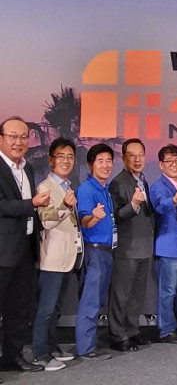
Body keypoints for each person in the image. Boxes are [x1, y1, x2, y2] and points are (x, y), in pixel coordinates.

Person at [0, 116, 48, 375]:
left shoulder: (26, 168)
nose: (18, 142)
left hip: (25, 250)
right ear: (1, 139)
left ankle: (13, 356)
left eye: (23, 137)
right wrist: (32, 204)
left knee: (18, 308)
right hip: (3, 251)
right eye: (13, 136)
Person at [32, 137, 80, 371]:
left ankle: (51, 346)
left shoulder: (67, 186)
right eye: (61, 156)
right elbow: (47, 221)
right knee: (46, 309)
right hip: (51, 258)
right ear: (51, 160)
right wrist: (66, 207)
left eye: (70, 157)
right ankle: (40, 353)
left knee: (56, 308)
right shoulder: (45, 187)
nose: (66, 161)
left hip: (67, 258)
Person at [108, 139, 155, 352]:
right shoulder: (118, 183)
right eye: (132, 155)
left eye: (140, 155)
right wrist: (134, 204)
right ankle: (118, 334)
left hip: (144, 245)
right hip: (127, 247)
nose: (137, 159)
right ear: (124, 158)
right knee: (122, 294)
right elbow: (117, 215)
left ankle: (132, 330)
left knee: (137, 294)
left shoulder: (143, 180)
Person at [75, 143, 116, 360]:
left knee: (97, 300)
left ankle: (88, 344)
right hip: (94, 251)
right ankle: (85, 348)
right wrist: (94, 218)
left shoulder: (105, 190)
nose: (105, 165)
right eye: (100, 161)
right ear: (91, 165)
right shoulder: (87, 190)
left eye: (108, 161)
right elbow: (84, 220)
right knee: (90, 301)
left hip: (107, 251)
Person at [150, 144, 177, 344]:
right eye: (169, 161)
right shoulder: (158, 186)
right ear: (161, 165)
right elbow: (160, 206)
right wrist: (175, 199)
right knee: (167, 291)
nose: (174, 164)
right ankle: (166, 329)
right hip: (168, 247)